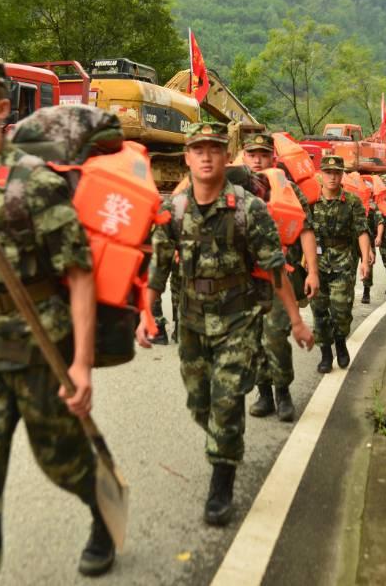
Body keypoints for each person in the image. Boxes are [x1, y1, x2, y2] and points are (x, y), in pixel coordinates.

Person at [0, 56, 115, 583]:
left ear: (1, 107)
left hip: (42, 349)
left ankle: (102, 511)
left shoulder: (36, 184)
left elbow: (79, 275)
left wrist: (81, 366)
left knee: (64, 464)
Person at [136, 122, 314, 526]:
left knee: (227, 399)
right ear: (187, 158)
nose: (205, 156)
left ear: (223, 155)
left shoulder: (251, 210)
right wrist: (146, 314)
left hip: (238, 319)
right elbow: (159, 267)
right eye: (197, 149)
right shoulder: (173, 212)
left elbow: (275, 269)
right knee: (200, 404)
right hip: (194, 323)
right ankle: (225, 438)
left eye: (214, 149)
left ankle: (222, 482)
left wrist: (297, 321)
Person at [241, 132, 320, 422]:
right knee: (251, 338)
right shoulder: (234, 188)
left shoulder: (286, 190)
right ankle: (263, 392)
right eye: (252, 154)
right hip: (244, 279)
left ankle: (282, 391)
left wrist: (312, 271)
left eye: (263, 154)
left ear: (273, 158)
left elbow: (306, 229)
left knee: (275, 336)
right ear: (244, 156)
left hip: (278, 276)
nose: (258, 160)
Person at [310, 156, 372, 372]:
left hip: (343, 262)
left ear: (342, 175)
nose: (332, 177)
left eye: (337, 173)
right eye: (328, 172)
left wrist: (365, 260)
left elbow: (362, 231)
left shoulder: (352, 201)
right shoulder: (310, 199)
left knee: (341, 311)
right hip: (315, 263)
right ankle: (326, 354)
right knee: (319, 312)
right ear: (321, 174)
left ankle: (340, 342)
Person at [361, 179, 383, 304]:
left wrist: (378, 237)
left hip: (368, 239)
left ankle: (366, 291)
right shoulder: (353, 203)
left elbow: (380, 222)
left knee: (368, 264)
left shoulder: (373, 206)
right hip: (354, 240)